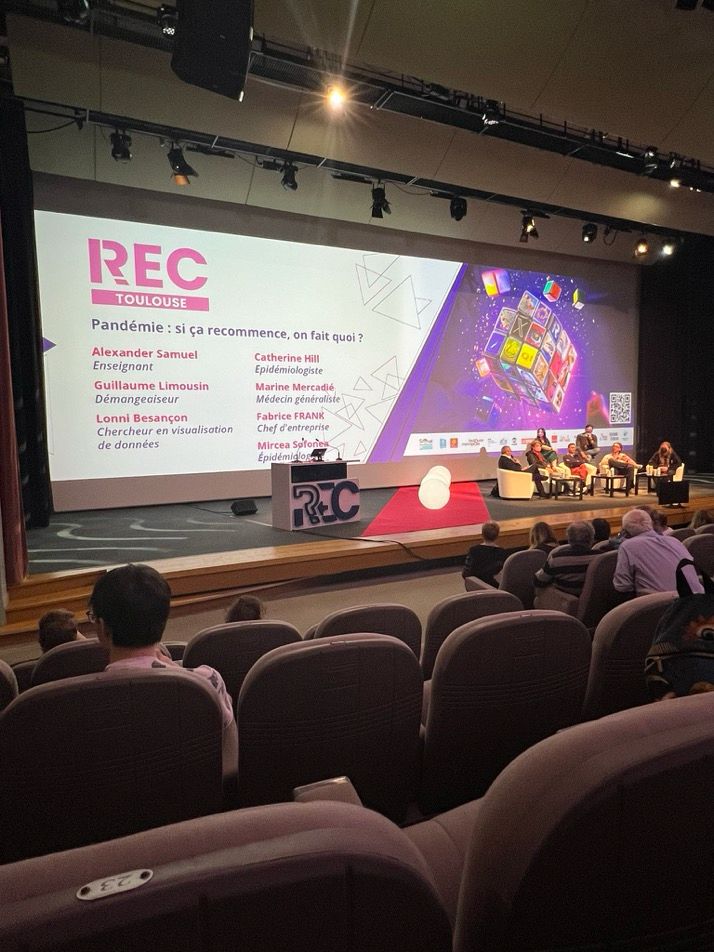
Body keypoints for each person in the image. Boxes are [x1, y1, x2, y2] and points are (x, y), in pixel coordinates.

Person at [88, 564, 235, 731]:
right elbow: (229, 752)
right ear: (163, 619)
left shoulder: (76, 704)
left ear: (102, 627)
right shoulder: (209, 682)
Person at [613, 509, 704, 596]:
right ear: (651, 524)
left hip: (667, 607)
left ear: (625, 532)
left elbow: (623, 587)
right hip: (701, 601)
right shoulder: (675, 541)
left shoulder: (628, 546)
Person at [534, 520, 599, 597]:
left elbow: (538, 581)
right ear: (592, 538)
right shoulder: (602, 557)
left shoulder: (556, 559)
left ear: (569, 539)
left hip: (563, 602)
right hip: (594, 601)